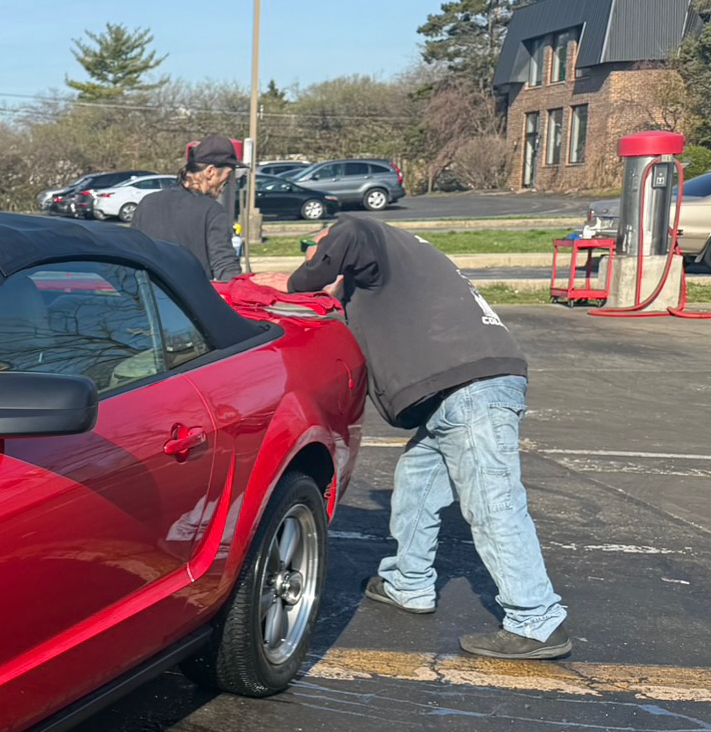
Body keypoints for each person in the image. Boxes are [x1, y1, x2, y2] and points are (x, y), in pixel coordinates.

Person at [285, 214, 570, 660]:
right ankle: (408, 582)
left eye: (318, 246)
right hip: (457, 390)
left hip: (470, 388)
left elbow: (350, 236)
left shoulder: (364, 233)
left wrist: (302, 278)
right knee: (417, 483)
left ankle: (536, 618)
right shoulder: (406, 258)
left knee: (493, 505)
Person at [131, 134, 241, 280]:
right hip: (190, 300)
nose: (227, 183)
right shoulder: (212, 211)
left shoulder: (147, 202)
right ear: (211, 171)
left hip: (149, 298)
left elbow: (131, 256)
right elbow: (226, 268)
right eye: (228, 175)